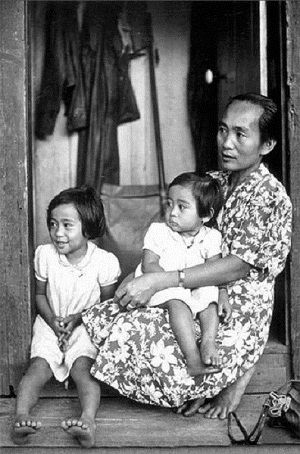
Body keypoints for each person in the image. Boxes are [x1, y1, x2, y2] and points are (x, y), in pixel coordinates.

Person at [82, 93, 292, 419]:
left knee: (166, 348)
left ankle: (235, 377)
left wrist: (160, 280)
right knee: (121, 317)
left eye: (240, 134)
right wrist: (141, 274)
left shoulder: (269, 195)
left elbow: (236, 267)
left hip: (235, 307)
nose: (227, 143)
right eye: (224, 130)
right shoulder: (216, 182)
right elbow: (177, 236)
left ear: (267, 145)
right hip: (188, 286)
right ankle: (203, 383)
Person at [12, 186, 121, 448]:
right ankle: (20, 418)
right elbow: (40, 296)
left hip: (85, 325)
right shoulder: (45, 255)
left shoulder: (105, 262)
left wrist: (78, 319)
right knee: (36, 369)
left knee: (83, 371)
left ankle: (87, 421)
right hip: (51, 323)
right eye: (53, 224)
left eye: (67, 225)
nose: (58, 233)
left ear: (88, 226)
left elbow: (107, 306)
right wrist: (53, 322)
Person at [134, 172, 231, 377]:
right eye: (169, 204)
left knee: (208, 294)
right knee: (178, 300)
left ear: (205, 215)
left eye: (182, 206)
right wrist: (174, 285)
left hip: (191, 286)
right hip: (160, 287)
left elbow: (214, 273)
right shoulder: (158, 231)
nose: (172, 212)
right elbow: (149, 265)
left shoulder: (211, 237)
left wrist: (222, 294)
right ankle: (193, 359)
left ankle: (208, 342)